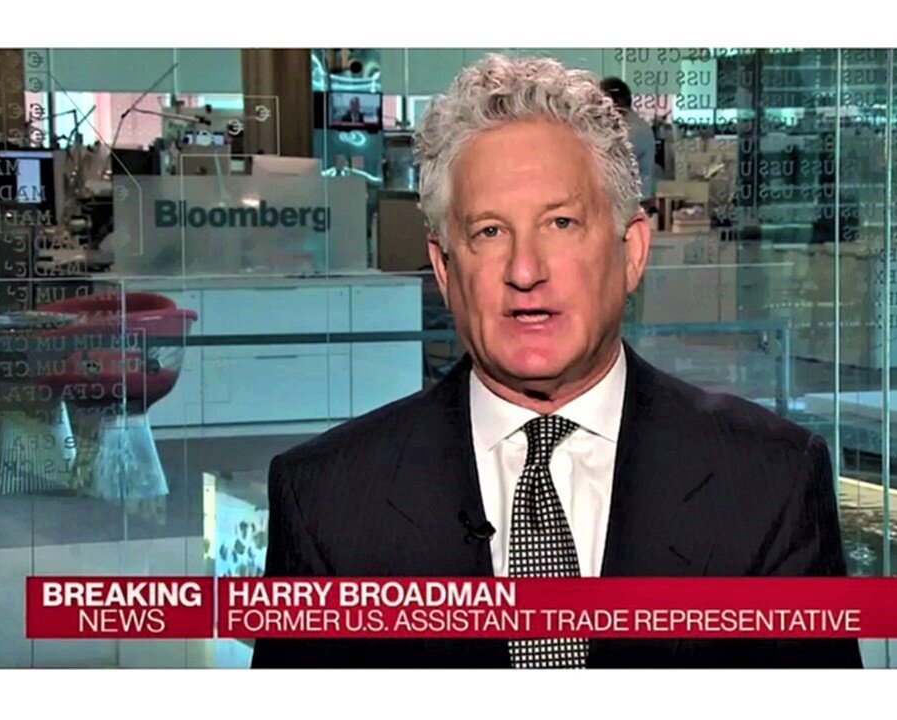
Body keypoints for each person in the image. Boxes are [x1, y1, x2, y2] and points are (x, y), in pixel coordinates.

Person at [253, 54, 861, 669]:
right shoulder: (326, 501)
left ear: (631, 252)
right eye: (490, 231)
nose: (525, 271)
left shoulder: (771, 482)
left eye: (561, 223)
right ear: (444, 268)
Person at [600, 76, 657, 214]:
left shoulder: (631, 130)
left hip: (631, 203)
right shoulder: (635, 125)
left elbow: (609, 163)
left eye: (602, 102)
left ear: (617, 102)